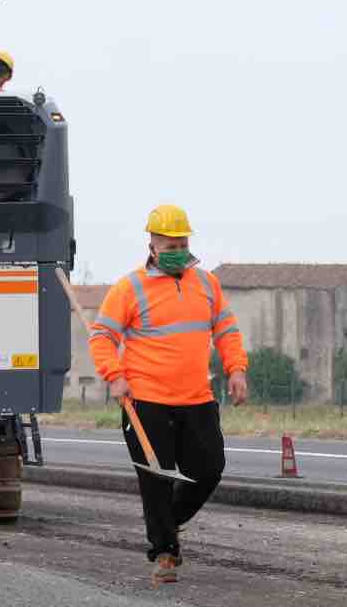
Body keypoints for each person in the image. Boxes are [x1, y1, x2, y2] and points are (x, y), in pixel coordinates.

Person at [88, 204, 249, 586]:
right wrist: (115, 376)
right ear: (153, 244)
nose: (178, 248)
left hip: (197, 399)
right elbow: (102, 337)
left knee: (208, 469)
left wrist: (236, 369)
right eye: (170, 242)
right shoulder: (129, 288)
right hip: (146, 402)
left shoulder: (207, 283)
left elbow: (227, 331)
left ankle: (165, 523)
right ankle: (164, 553)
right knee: (156, 479)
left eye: (183, 241)